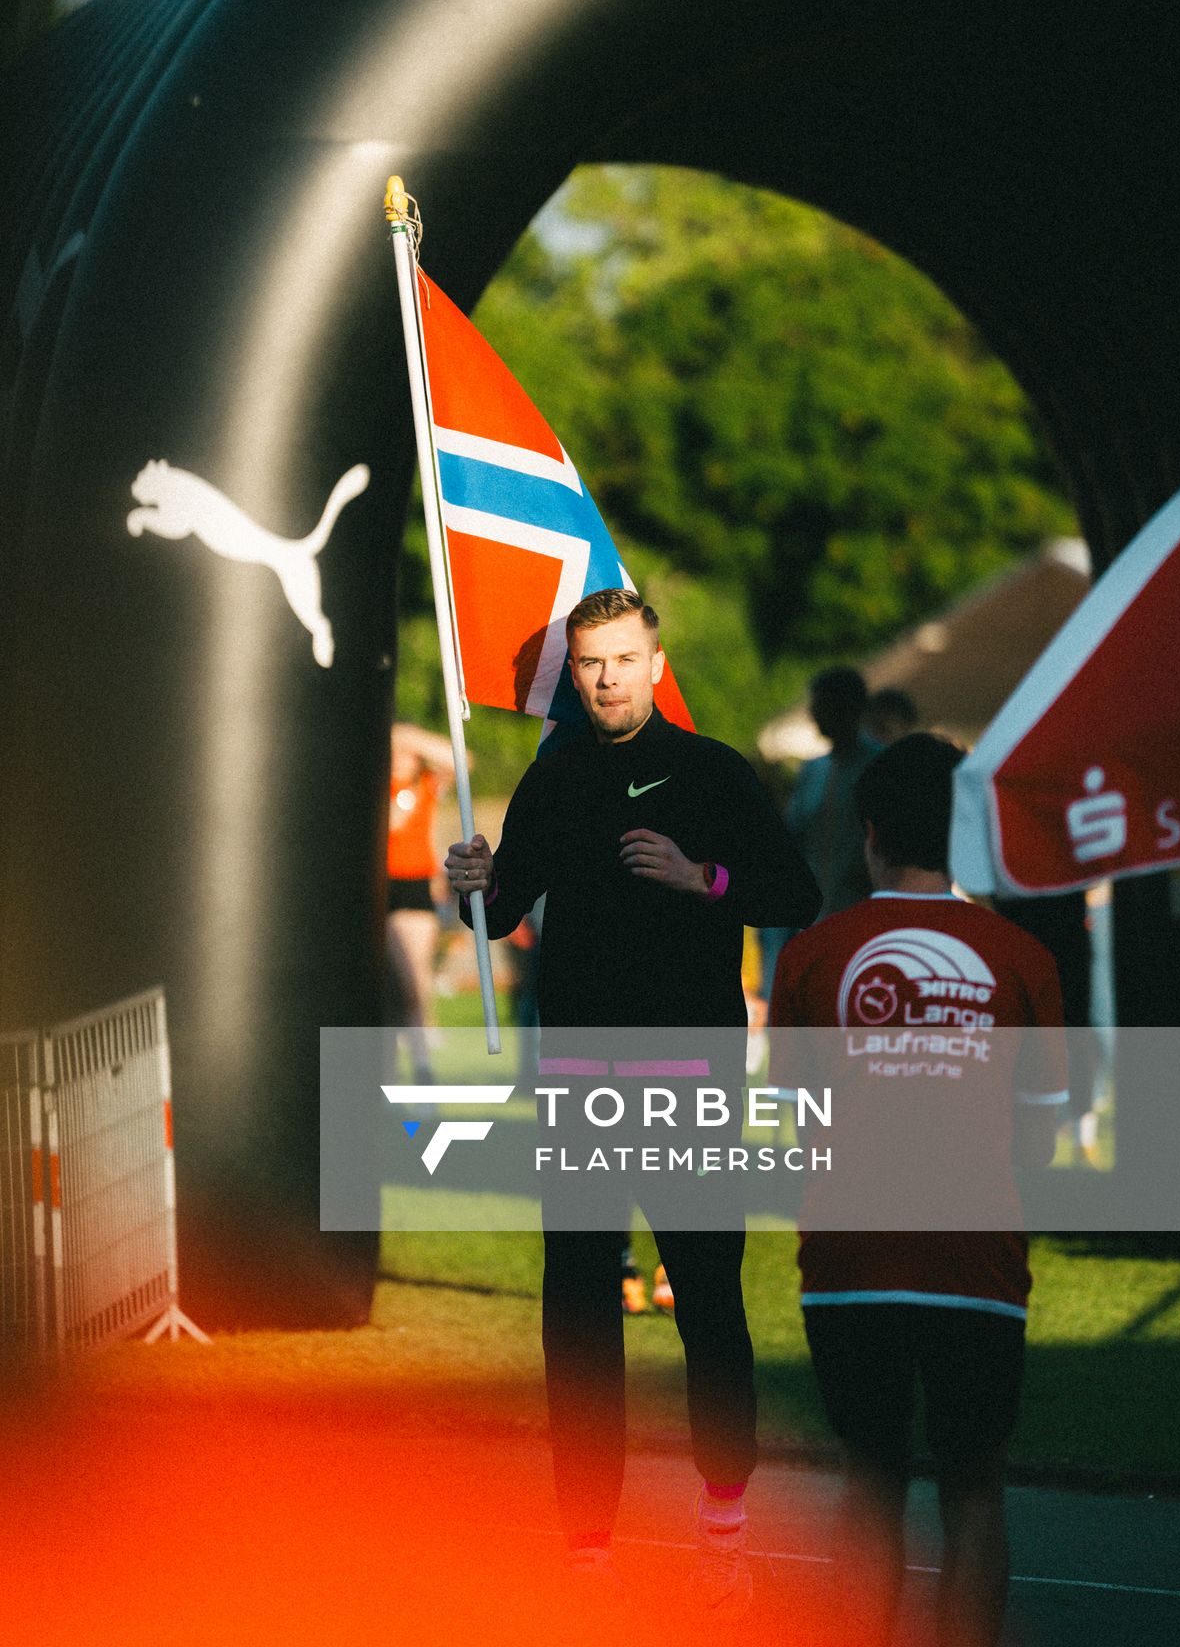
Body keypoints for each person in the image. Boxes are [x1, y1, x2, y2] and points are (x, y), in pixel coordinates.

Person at [445, 588, 820, 1613]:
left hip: (688, 1076)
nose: (606, 678)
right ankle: (585, 1547)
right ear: (574, 673)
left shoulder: (709, 773)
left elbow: (795, 893)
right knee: (575, 1310)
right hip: (578, 1081)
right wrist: (467, 884)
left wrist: (702, 879)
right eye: (589, 664)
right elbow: (499, 913)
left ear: (654, 663)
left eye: (621, 659)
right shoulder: (551, 777)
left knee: (705, 1299)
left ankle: (723, 1527)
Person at [770, 733, 1067, 1647]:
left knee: (870, 1481)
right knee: (975, 1489)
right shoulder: (1022, 957)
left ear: (867, 833)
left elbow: (800, 1119)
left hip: (850, 1261)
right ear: (965, 832)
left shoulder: (815, 955)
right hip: (975, 1260)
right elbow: (1043, 1138)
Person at [386, 722, 454, 1074]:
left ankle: (422, 1068)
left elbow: (460, 760)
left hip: (413, 886)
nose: (400, 758)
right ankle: (391, 1070)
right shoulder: (379, 785)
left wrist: (410, 735)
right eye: (395, 751)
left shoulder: (427, 785)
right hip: (382, 885)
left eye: (407, 754)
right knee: (389, 987)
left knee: (414, 978)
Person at [787, 665, 880, 917]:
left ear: (848, 708)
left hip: (863, 913)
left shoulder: (881, 765)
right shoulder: (812, 770)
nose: (813, 714)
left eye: (822, 705)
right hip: (814, 914)